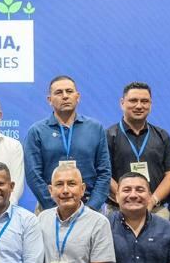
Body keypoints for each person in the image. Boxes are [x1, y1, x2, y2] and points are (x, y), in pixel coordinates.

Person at [24, 75, 111, 211]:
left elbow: (104, 172)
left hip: (90, 208)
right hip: (50, 209)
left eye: (69, 91)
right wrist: (54, 208)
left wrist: (91, 209)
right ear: (49, 100)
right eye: (58, 92)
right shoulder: (37, 131)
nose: (65, 96)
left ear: (78, 96)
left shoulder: (95, 128)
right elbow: (33, 175)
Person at [105, 82, 170, 217]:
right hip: (117, 210)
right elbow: (104, 173)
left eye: (144, 101)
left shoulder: (162, 135)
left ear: (150, 104)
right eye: (133, 100)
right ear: (122, 103)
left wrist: (151, 201)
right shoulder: (108, 135)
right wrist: (124, 199)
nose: (139, 106)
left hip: (156, 210)